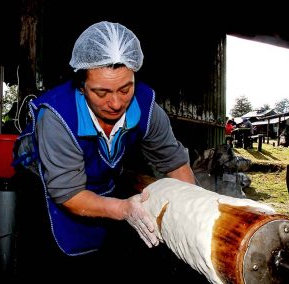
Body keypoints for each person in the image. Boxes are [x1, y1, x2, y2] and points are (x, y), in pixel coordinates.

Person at [12, 21, 195, 281]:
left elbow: (175, 163)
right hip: (46, 184)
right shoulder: (57, 117)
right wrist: (123, 210)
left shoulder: (147, 108)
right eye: (101, 92)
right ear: (81, 85)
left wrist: (191, 212)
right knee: (50, 254)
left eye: (125, 88)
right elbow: (68, 193)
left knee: (104, 254)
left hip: (98, 180)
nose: (116, 103)